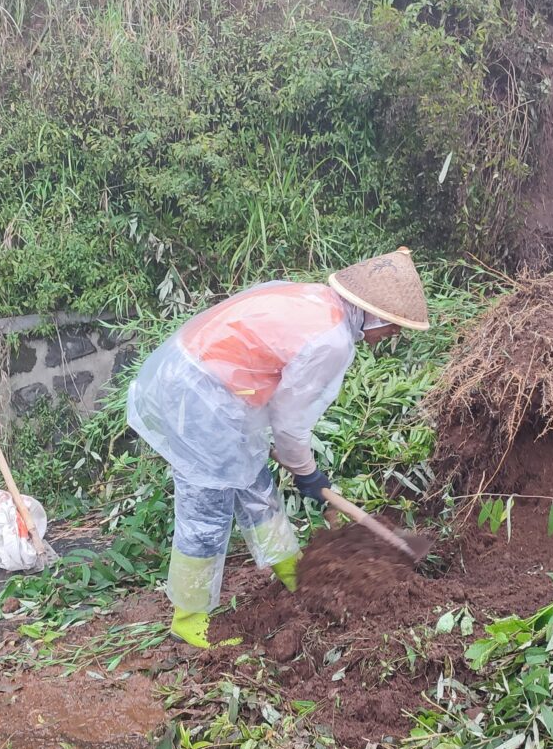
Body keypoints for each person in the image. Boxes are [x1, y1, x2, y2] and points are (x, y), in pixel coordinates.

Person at [126, 248, 431, 649]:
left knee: (256, 487)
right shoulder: (333, 339)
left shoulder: (314, 299)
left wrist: (292, 461)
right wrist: (307, 473)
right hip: (201, 396)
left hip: (218, 393)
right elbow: (290, 422)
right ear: (373, 313)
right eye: (393, 328)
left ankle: (293, 574)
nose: (391, 337)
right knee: (208, 508)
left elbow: (271, 381)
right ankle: (189, 618)